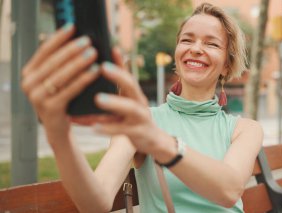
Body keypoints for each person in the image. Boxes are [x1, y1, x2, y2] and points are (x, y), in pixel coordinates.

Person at [21, 3, 263, 213]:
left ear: (227, 66)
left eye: (211, 44)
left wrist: (156, 140)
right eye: (187, 40)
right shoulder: (140, 121)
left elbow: (229, 190)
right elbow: (95, 204)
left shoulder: (245, 129)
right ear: (177, 55)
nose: (196, 48)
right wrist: (58, 134)